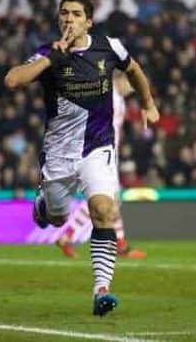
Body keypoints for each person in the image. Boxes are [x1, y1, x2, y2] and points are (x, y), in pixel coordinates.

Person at [4, 0, 159, 316]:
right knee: (57, 217)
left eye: (76, 14)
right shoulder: (48, 53)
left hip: (97, 147)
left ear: (89, 21)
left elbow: (135, 71)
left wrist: (148, 104)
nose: (68, 19)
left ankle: (101, 290)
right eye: (64, 14)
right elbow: (13, 80)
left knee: (103, 209)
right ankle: (44, 206)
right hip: (59, 155)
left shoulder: (108, 47)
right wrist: (50, 60)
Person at [55, 71, 147, 260]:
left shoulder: (117, 98)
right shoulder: (108, 97)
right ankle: (71, 236)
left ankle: (117, 243)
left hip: (108, 154)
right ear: (119, 79)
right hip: (101, 153)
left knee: (111, 200)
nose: (131, 88)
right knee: (104, 200)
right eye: (130, 83)